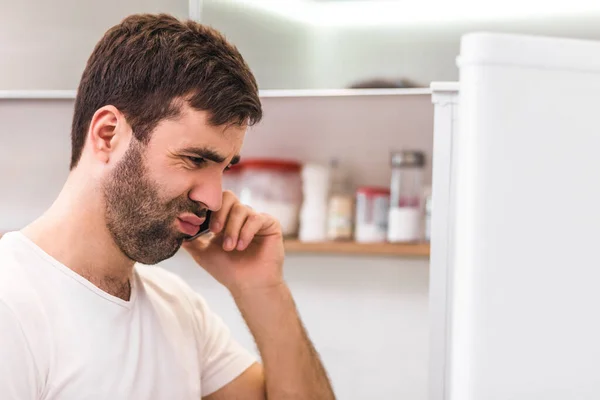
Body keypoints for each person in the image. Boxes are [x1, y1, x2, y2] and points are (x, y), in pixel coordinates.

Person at [0, 13, 335, 400]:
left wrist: (262, 289)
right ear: (108, 135)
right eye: (195, 160)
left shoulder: (177, 307)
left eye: (225, 167)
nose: (213, 198)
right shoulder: (12, 306)